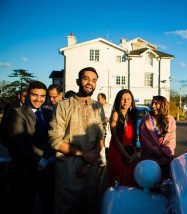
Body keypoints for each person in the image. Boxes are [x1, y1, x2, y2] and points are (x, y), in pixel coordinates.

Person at [49, 67, 105, 214]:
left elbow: (101, 135)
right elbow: (55, 140)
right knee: (66, 207)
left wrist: (88, 161)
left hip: (91, 169)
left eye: (94, 80)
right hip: (68, 169)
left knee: (89, 205)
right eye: (86, 78)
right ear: (78, 81)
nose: (90, 83)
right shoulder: (63, 106)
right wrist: (83, 154)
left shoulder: (98, 107)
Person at [5, 81, 55, 214]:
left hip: (47, 171)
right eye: (35, 95)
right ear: (27, 94)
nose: (39, 99)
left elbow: (51, 138)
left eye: (42, 96)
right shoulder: (17, 113)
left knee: (47, 205)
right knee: (23, 207)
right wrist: (40, 160)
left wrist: (50, 157)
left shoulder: (48, 112)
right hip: (24, 171)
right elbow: (16, 145)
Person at [139, 96, 176, 179]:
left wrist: (163, 152)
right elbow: (144, 140)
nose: (153, 106)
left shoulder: (170, 120)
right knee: (150, 185)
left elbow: (171, 139)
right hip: (149, 160)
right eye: (152, 103)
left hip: (165, 159)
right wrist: (157, 152)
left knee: (164, 185)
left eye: (156, 103)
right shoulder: (146, 119)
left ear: (163, 105)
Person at [107, 89, 138, 187]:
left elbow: (133, 137)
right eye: (123, 99)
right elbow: (116, 140)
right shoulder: (116, 114)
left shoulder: (131, 115)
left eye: (129, 99)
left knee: (129, 181)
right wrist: (127, 157)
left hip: (128, 152)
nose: (126, 101)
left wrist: (133, 153)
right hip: (118, 152)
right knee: (118, 183)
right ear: (118, 100)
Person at [97, 93, 113, 166]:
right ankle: (103, 160)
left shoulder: (111, 107)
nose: (98, 100)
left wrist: (108, 119)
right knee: (101, 144)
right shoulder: (98, 108)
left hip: (108, 129)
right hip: (100, 129)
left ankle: (109, 160)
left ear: (103, 99)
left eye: (99, 99)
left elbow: (113, 117)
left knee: (108, 145)